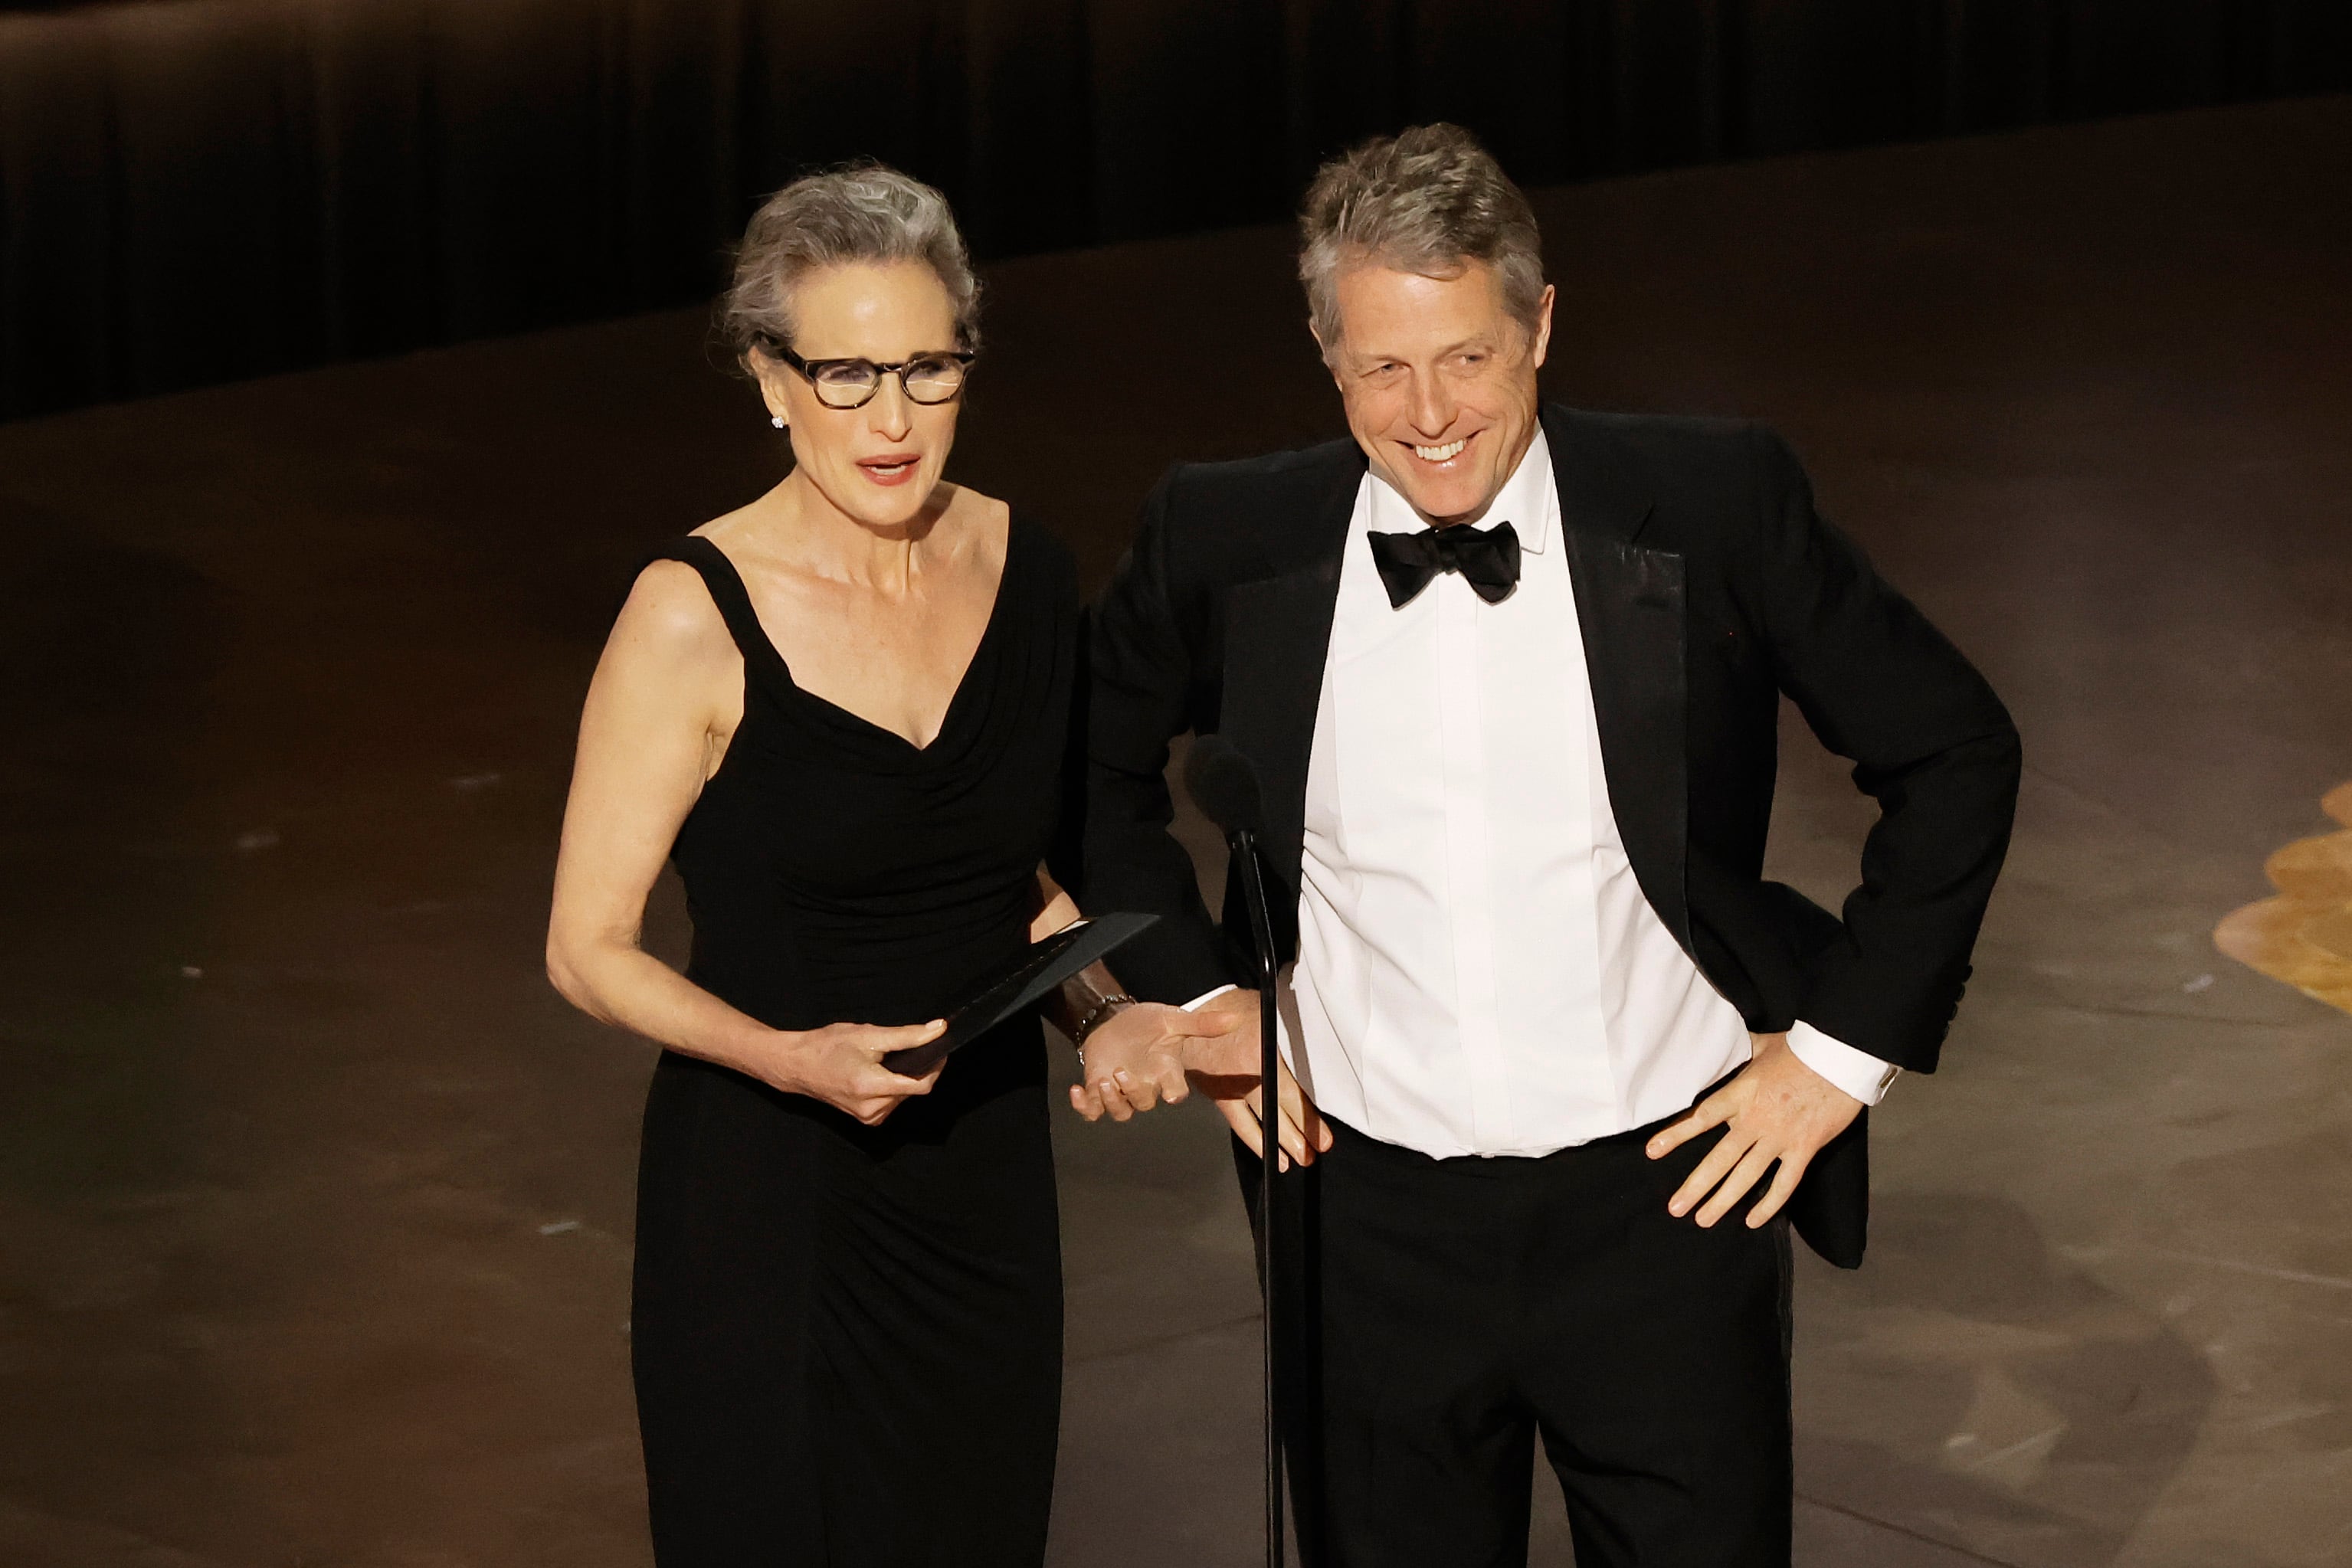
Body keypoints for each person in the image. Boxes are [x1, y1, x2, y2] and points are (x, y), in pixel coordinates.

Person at [1079, 125, 2021, 1567]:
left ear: (1540, 324)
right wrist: (1201, 1003)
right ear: (1327, 356)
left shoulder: (1710, 502)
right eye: (1382, 366)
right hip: (1357, 1220)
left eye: (1465, 355)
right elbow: (1086, 771)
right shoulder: (1227, 532)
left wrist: (1837, 1055)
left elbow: (1953, 749)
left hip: (1668, 1205)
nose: (1428, 410)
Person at [545, 164, 1227, 1566]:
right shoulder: (690, 614)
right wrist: (791, 1060)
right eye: (846, 373)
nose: (893, 417)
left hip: (978, 1183)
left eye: (928, 367)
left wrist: (1101, 1017)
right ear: (767, 377)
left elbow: (1008, 873)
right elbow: (585, 950)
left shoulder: (1021, 568)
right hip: (768, 1190)